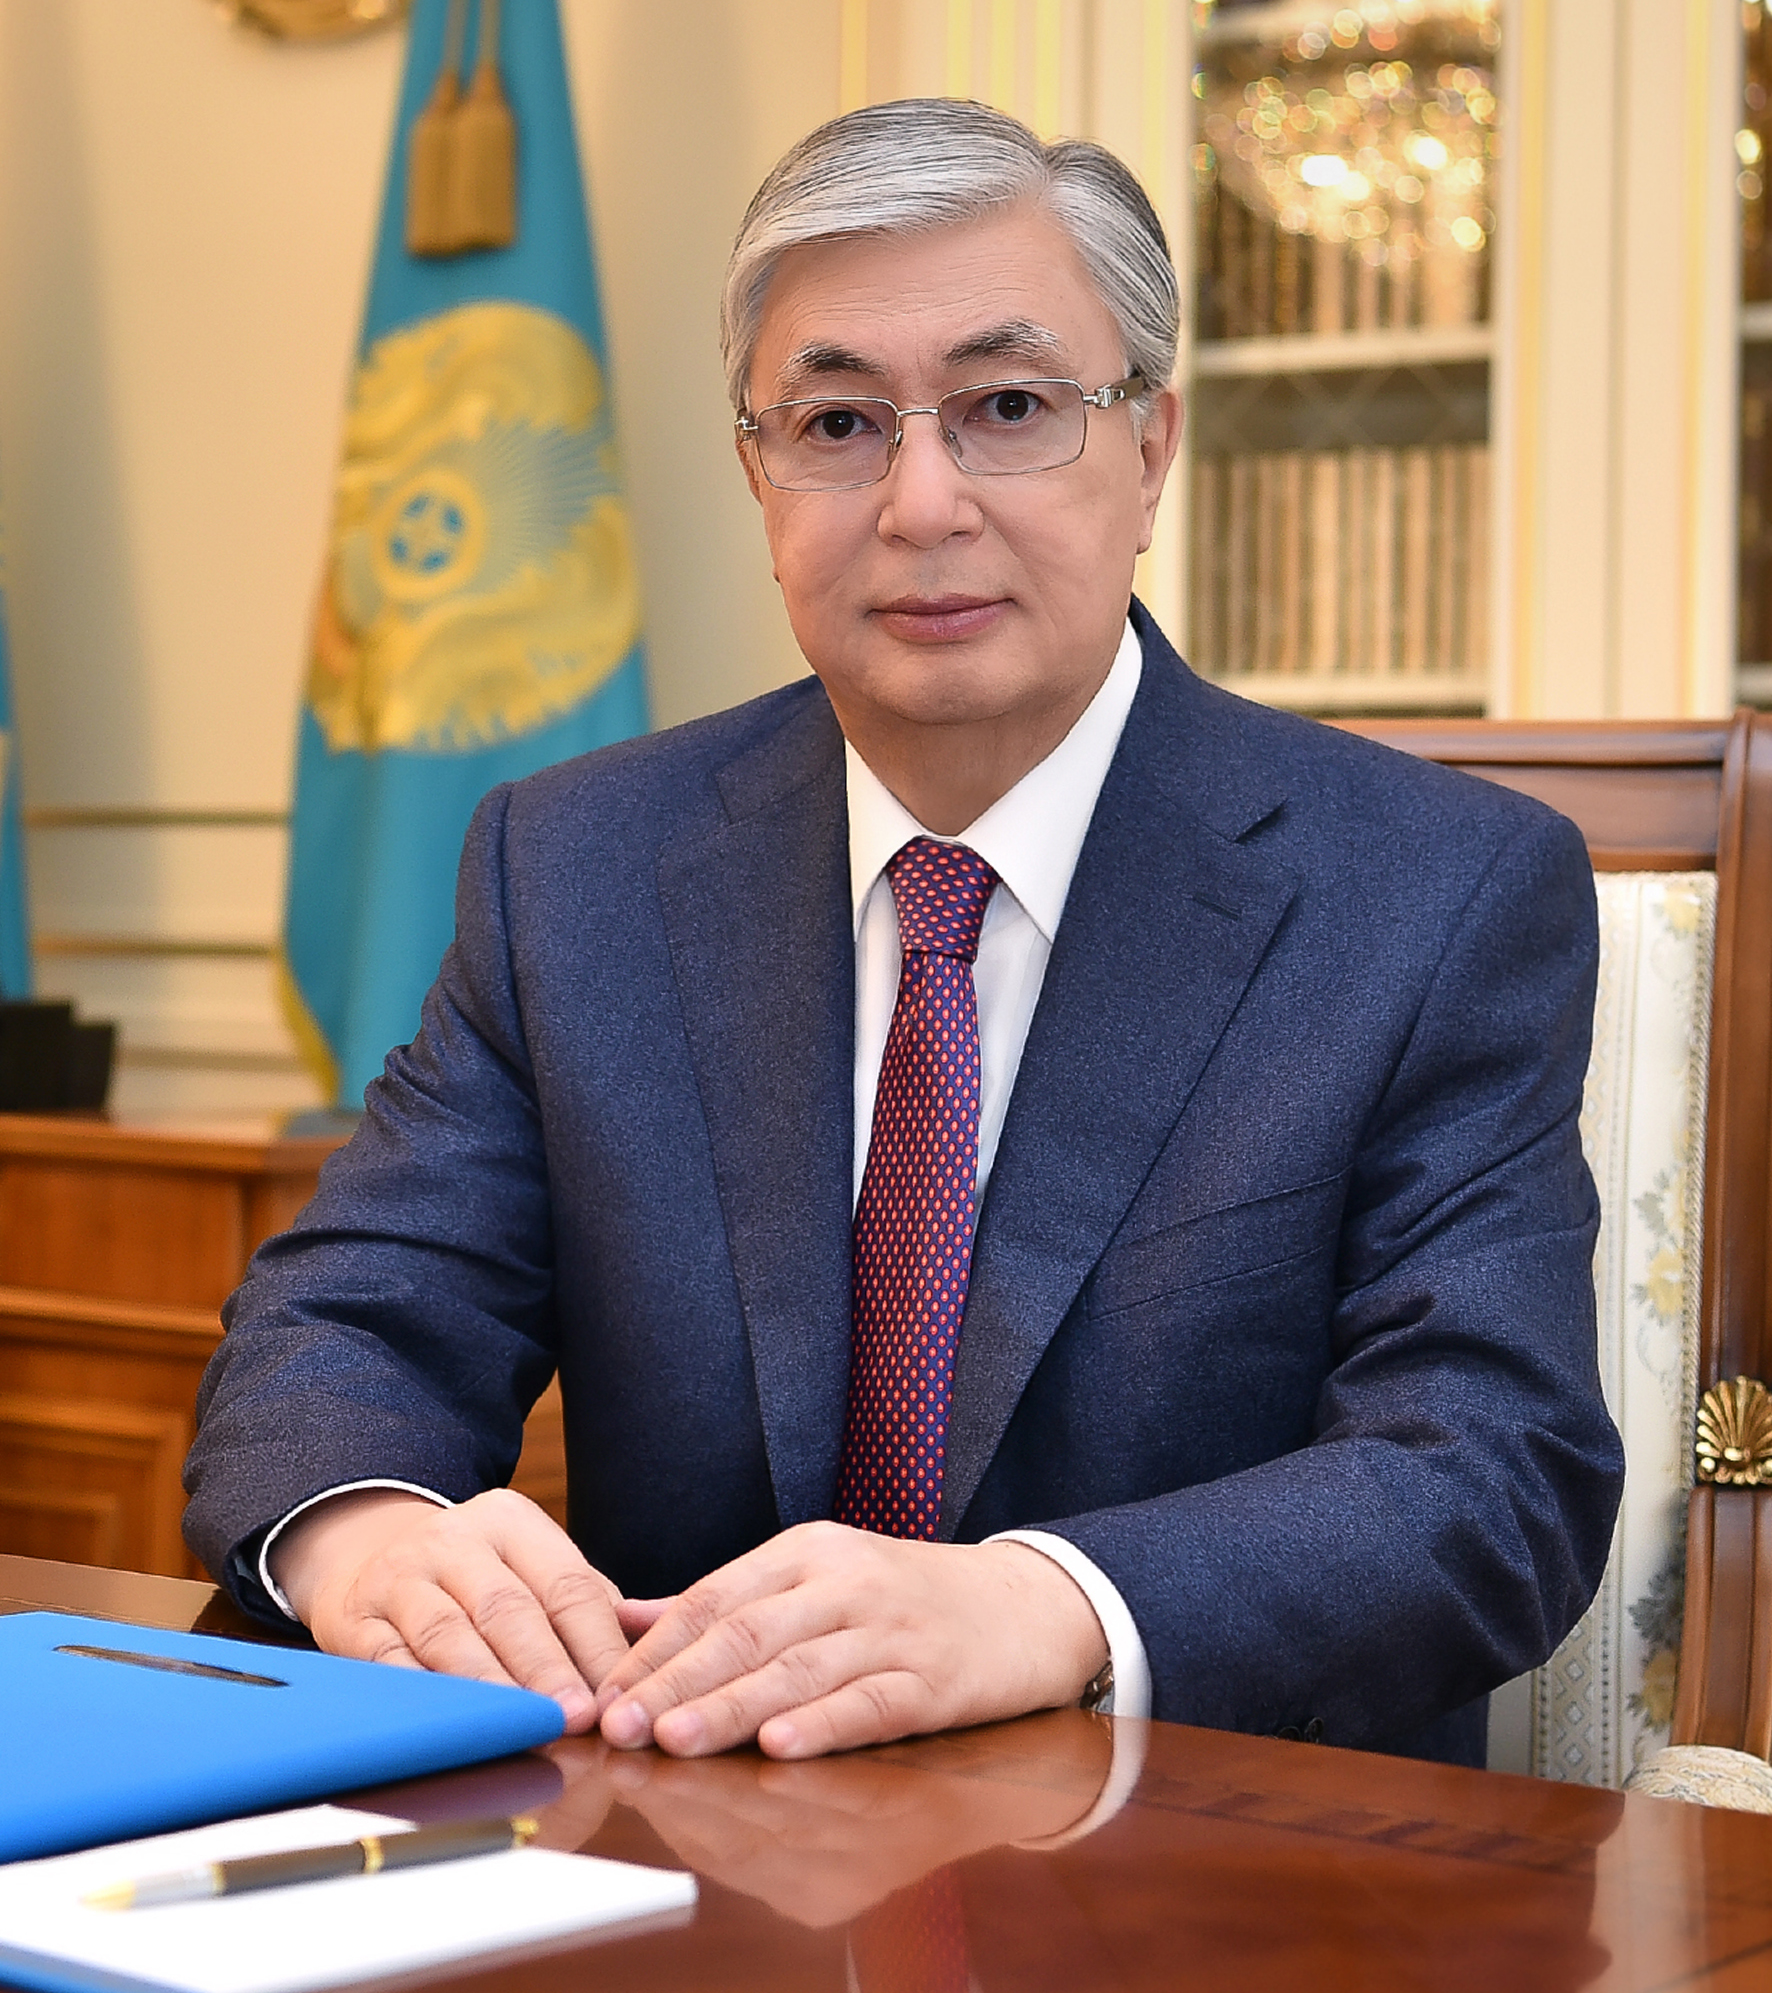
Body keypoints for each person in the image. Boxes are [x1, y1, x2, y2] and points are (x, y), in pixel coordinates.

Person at [185, 97, 1623, 1769]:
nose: (921, 500)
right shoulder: (577, 866)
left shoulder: (1434, 893)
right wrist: (372, 1536)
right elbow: (345, 1322)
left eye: (1011, 407)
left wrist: (1050, 1603)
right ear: (759, 473)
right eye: (839, 423)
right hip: (699, 1834)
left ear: (1151, 448)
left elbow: (1490, 1471)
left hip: (1201, 1844)